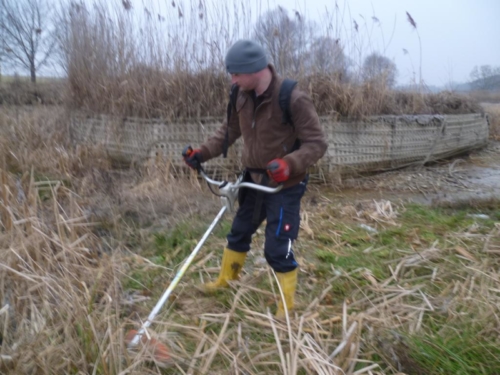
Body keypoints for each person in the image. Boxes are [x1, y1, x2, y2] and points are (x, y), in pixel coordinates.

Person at [183, 39, 327, 319]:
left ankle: (286, 306)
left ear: (254, 69)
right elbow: (228, 132)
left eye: (236, 73)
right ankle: (226, 280)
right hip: (253, 179)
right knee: (238, 232)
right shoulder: (240, 94)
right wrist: (202, 153)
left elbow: (317, 143)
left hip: (285, 185)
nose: (232, 79)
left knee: (277, 246)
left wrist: (289, 163)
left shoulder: (293, 98)